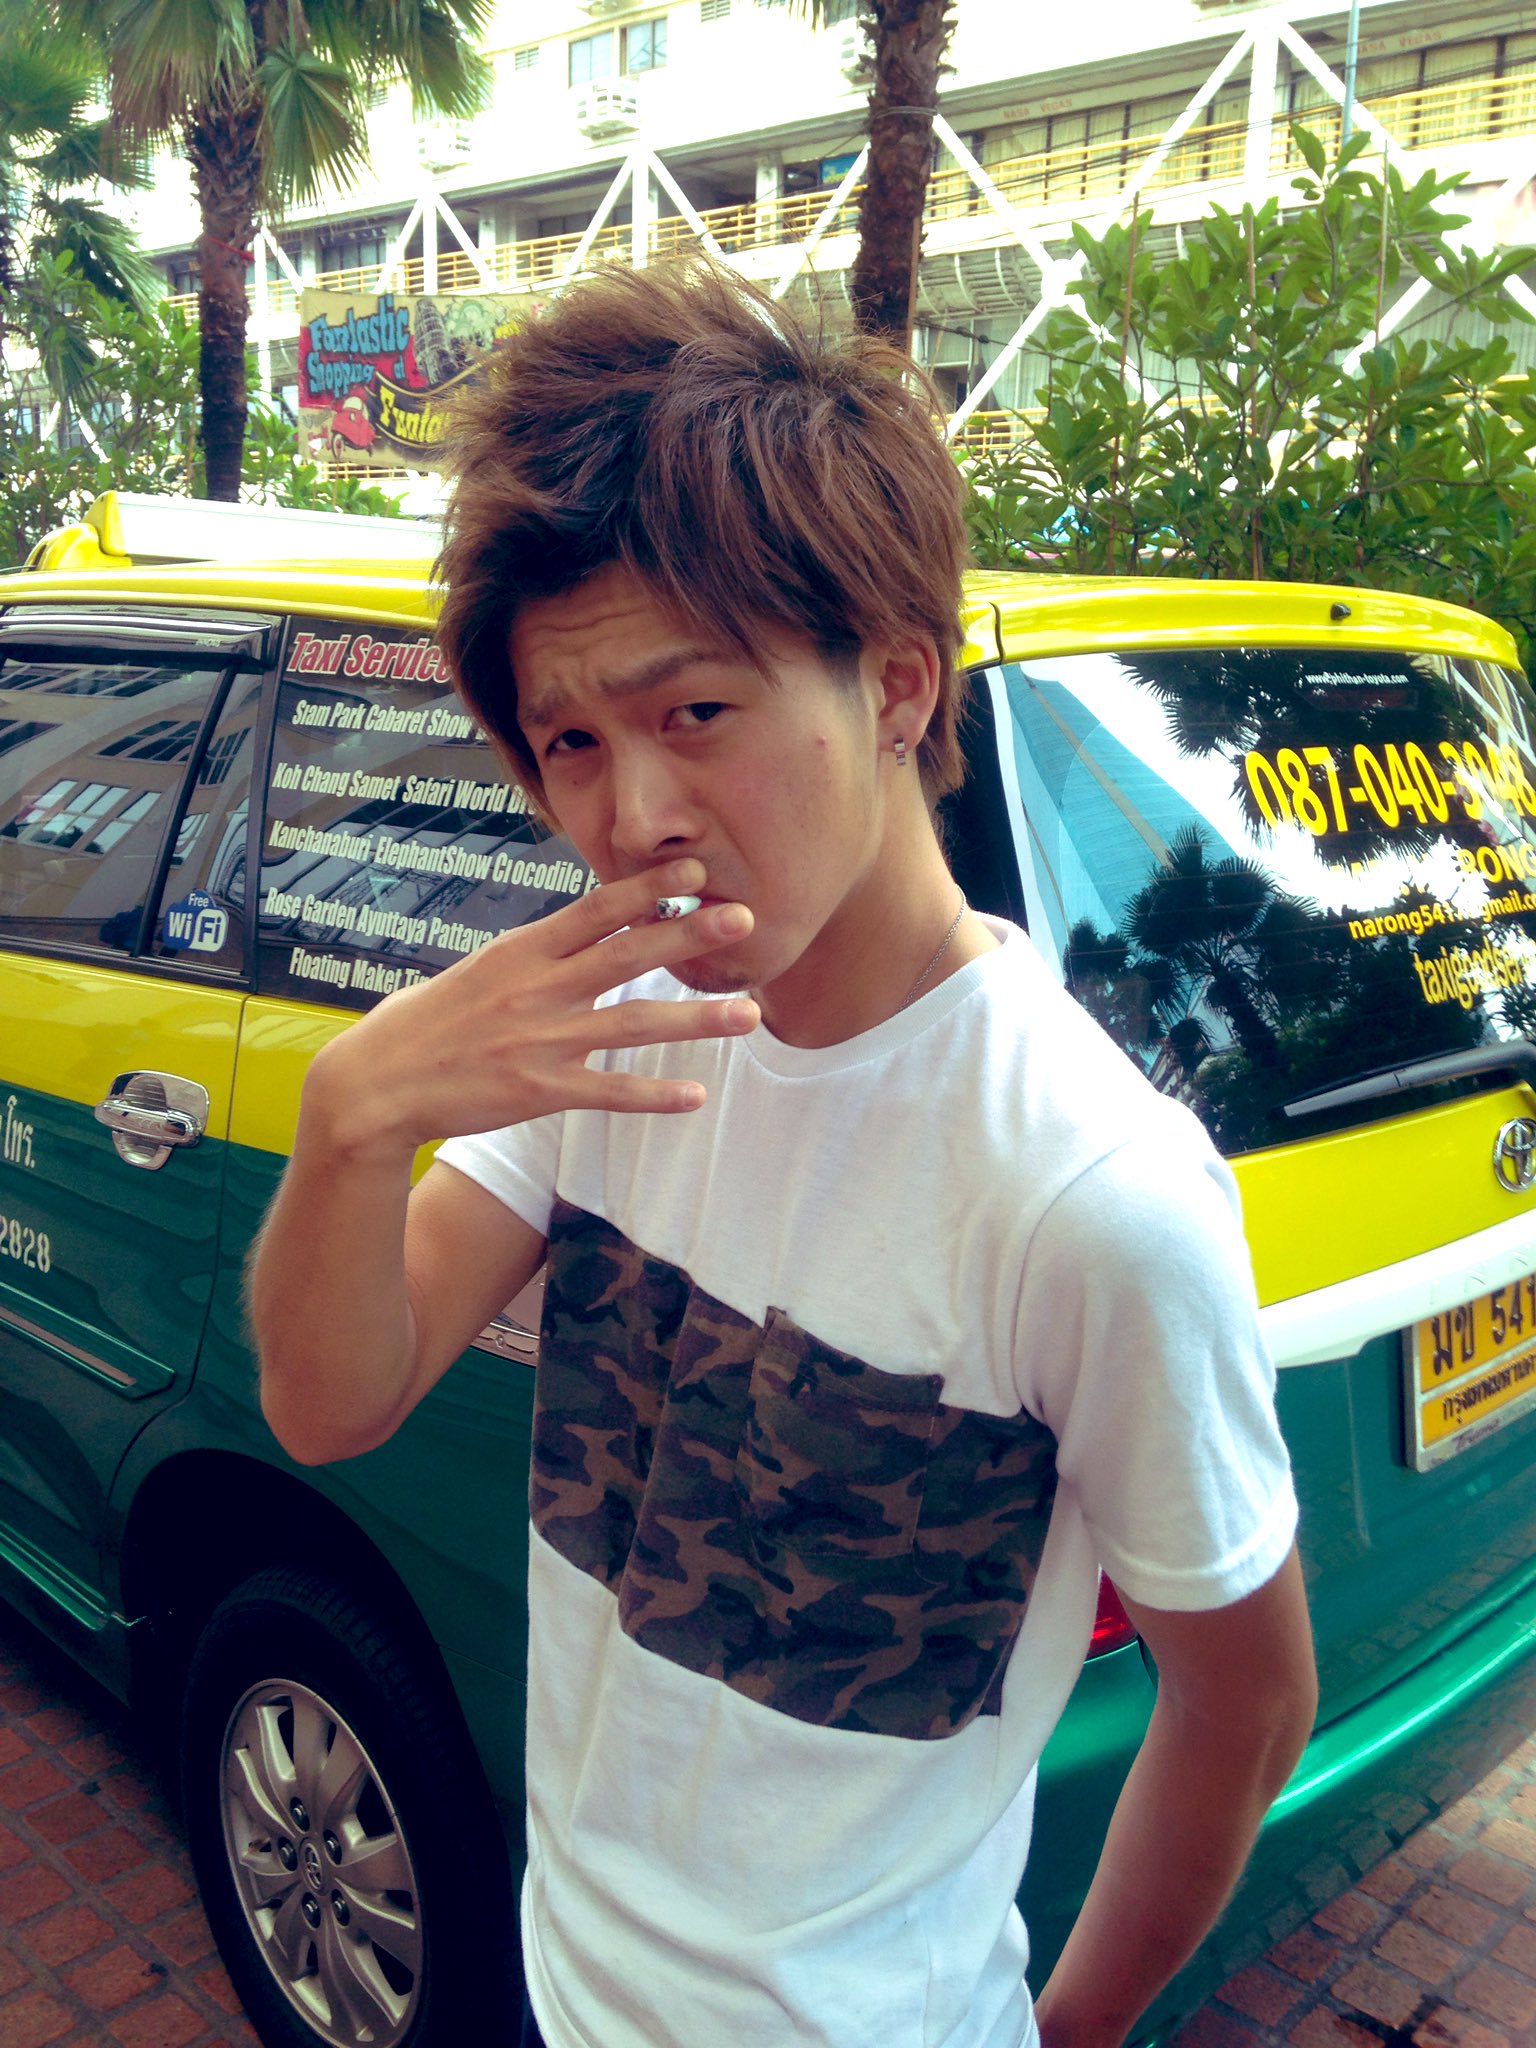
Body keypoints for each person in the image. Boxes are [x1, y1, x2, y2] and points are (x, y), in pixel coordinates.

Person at [252, 260, 1317, 2048]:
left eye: (696, 715)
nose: (632, 816)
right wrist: (354, 1122)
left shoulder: (1088, 1193)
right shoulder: (614, 1024)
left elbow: (1248, 1700)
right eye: (572, 743)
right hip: (566, 1988)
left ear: (896, 684)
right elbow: (331, 1403)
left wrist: (1071, 2028)